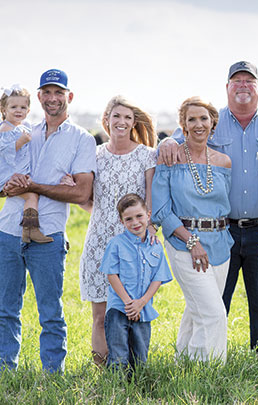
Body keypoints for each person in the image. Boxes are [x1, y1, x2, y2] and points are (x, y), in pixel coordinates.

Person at [159, 61, 258, 351]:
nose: (243, 85)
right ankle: (204, 360)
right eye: (237, 80)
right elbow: (178, 141)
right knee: (215, 301)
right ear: (227, 87)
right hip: (221, 231)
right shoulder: (209, 118)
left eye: (249, 80)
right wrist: (166, 141)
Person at [0, 69, 96, 372]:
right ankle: (5, 373)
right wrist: (4, 188)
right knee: (5, 311)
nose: (52, 98)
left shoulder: (81, 140)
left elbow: (81, 193)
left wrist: (33, 187)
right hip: (8, 231)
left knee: (50, 312)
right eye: (46, 93)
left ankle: (53, 374)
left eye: (58, 93)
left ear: (69, 97)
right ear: (38, 97)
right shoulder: (23, 132)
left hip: (48, 235)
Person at [75, 96, 157, 366]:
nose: (121, 122)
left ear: (134, 123)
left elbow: (150, 203)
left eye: (127, 118)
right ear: (106, 120)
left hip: (133, 246)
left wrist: (148, 231)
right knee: (100, 317)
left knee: (131, 314)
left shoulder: (146, 155)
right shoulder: (94, 156)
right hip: (98, 243)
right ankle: (104, 374)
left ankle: (133, 372)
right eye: (116, 116)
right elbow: (88, 200)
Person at [152, 97, 233, 362]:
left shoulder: (223, 162)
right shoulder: (170, 158)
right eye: (191, 119)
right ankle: (211, 372)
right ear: (183, 126)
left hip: (221, 245)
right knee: (214, 313)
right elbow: (161, 211)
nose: (198, 124)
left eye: (203, 118)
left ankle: (184, 362)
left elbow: (223, 205)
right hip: (183, 244)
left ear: (213, 123)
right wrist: (191, 241)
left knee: (197, 309)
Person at [100, 193, 172, 371]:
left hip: (144, 309)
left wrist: (140, 303)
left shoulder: (155, 246)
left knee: (140, 358)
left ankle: (137, 392)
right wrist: (128, 303)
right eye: (128, 219)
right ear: (122, 221)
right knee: (118, 356)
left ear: (148, 215)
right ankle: (116, 392)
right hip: (119, 308)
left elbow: (158, 278)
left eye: (139, 216)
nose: (135, 222)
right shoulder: (116, 244)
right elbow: (111, 275)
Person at [0, 84, 52, 243]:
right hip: (7, 174)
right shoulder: (5, 128)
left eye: (23, 107)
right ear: (3, 109)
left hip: (17, 170)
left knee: (33, 194)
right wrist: (20, 142)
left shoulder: (22, 126)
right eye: (13, 107)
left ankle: (29, 230)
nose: (18, 110)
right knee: (31, 196)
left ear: (28, 110)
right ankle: (30, 229)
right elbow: (2, 151)